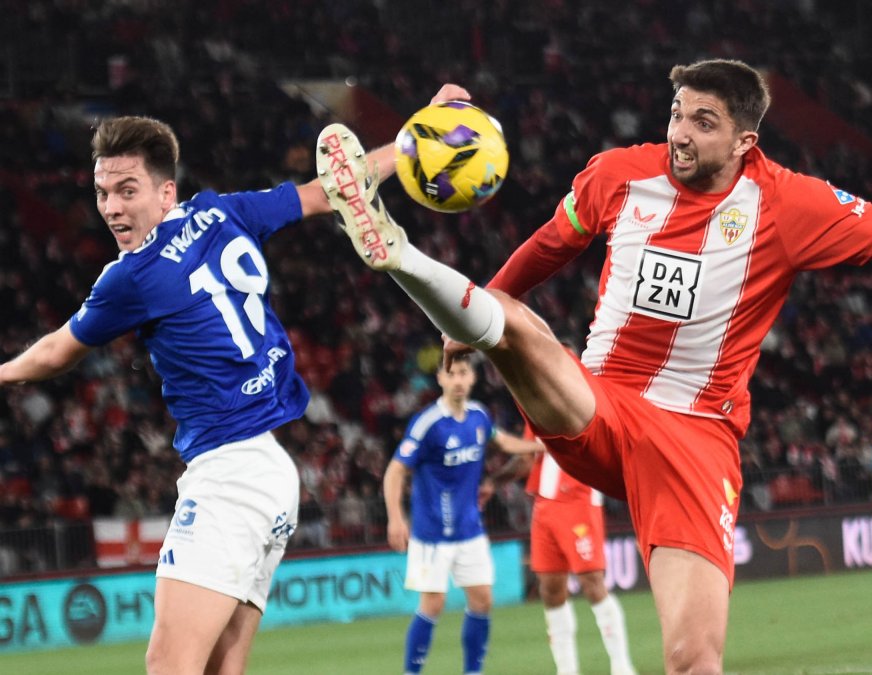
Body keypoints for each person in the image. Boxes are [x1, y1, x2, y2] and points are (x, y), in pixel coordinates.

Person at [320, 60, 872, 673]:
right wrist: (475, 320)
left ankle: (437, 285)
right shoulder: (620, 175)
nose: (680, 133)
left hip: (697, 442)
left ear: (746, 138)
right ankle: (397, 256)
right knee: (520, 329)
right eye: (677, 113)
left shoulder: (790, 205)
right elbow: (545, 247)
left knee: (694, 658)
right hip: (601, 405)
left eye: (702, 121)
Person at [0, 87, 468, 675]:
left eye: (127, 190)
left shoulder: (132, 276)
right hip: (271, 474)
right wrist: (418, 132)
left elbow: (52, 355)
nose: (112, 208)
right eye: (101, 193)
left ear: (165, 191)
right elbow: (338, 188)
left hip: (229, 478)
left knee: (168, 665)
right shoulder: (222, 211)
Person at [383, 351, 542, 675]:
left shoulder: (479, 416)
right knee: (433, 605)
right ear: (441, 379)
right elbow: (395, 471)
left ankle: (473, 671)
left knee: (482, 600)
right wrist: (396, 518)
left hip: (469, 528)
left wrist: (543, 446)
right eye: (451, 374)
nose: (458, 380)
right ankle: (411, 672)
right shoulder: (428, 423)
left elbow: (505, 443)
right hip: (431, 534)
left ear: (472, 378)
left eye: (463, 373)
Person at [498, 427, 637, 675]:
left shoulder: (586, 396)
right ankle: (566, 670)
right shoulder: (535, 409)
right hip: (544, 505)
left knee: (592, 583)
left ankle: (622, 667)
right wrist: (493, 481)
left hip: (579, 501)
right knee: (550, 590)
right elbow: (525, 458)